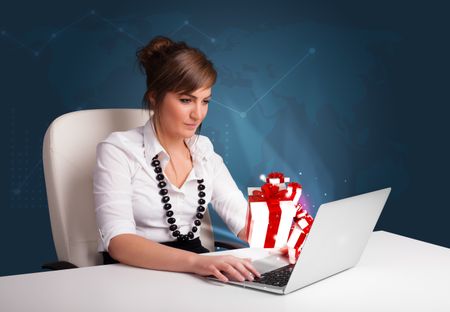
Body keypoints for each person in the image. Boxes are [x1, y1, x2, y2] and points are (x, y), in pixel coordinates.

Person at [93, 35, 261, 283]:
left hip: (198, 269)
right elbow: (119, 242)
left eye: (205, 101)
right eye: (186, 100)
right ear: (154, 97)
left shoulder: (203, 151)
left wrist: (292, 240)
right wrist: (198, 263)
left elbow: (242, 219)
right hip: (133, 272)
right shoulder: (118, 150)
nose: (198, 114)